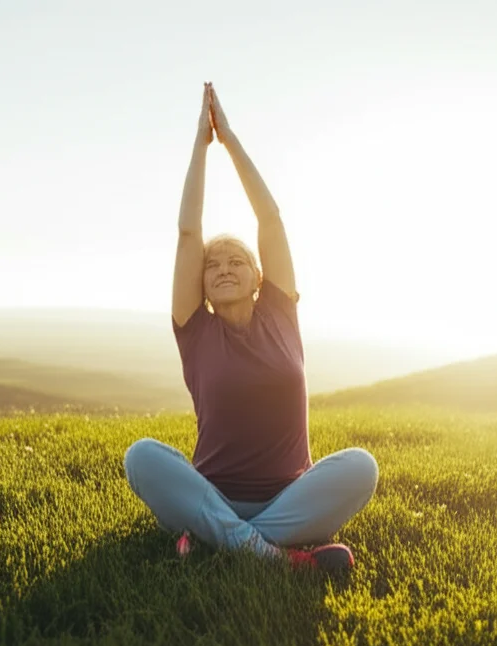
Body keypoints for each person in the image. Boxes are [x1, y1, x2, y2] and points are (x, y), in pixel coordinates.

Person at [123, 82, 378, 574]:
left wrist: (231, 139)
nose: (222, 267)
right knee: (142, 457)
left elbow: (271, 218)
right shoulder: (194, 330)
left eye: (236, 259)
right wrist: (200, 145)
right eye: (212, 264)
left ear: (258, 276)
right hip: (214, 494)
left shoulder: (281, 312)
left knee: (361, 467)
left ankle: (218, 541)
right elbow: (188, 233)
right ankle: (272, 555)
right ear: (200, 284)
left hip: (289, 499)